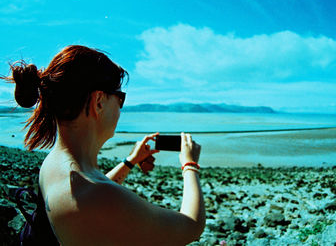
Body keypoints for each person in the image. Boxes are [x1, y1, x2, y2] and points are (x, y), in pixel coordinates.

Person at [2, 45, 205, 245]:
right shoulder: (96, 197)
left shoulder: (58, 164)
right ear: (99, 100)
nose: (120, 107)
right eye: (120, 98)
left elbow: (94, 191)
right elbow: (191, 227)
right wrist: (190, 165)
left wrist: (131, 161)